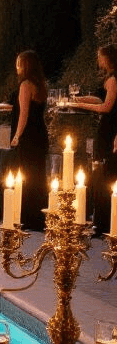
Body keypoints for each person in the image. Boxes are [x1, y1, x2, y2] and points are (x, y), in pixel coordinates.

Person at [0, 51, 49, 231]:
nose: (17, 67)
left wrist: (17, 135)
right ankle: (35, 214)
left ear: (25, 65)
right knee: (36, 174)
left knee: (23, 174)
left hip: (27, 135)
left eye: (19, 63)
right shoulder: (40, 84)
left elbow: (24, 114)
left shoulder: (25, 84)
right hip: (40, 134)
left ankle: (23, 214)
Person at [69, 45, 117, 233]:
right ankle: (103, 219)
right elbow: (99, 99)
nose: (98, 60)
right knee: (103, 173)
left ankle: (103, 222)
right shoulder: (109, 77)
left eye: (100, 56)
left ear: (107, 58)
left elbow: (106, 107)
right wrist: (79, 99)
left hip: (109, 130)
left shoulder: (113, 79)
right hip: (108, 129)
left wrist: (81, 105)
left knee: (104, 174)